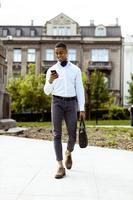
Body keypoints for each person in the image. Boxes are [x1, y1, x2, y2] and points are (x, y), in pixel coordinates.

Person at [44, 42, 85, 179]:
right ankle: (60, 166)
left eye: (61, 53)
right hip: (56, 102)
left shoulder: (75, 70)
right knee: (57, 134)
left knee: (72, 135)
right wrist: (50, 81)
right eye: (56, 53)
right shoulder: (51, 70)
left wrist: (82, 108)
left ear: (67, 53)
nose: (58, 55)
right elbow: (46, 92)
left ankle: (68, 152)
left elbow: (80, 90)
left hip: (71, 104)